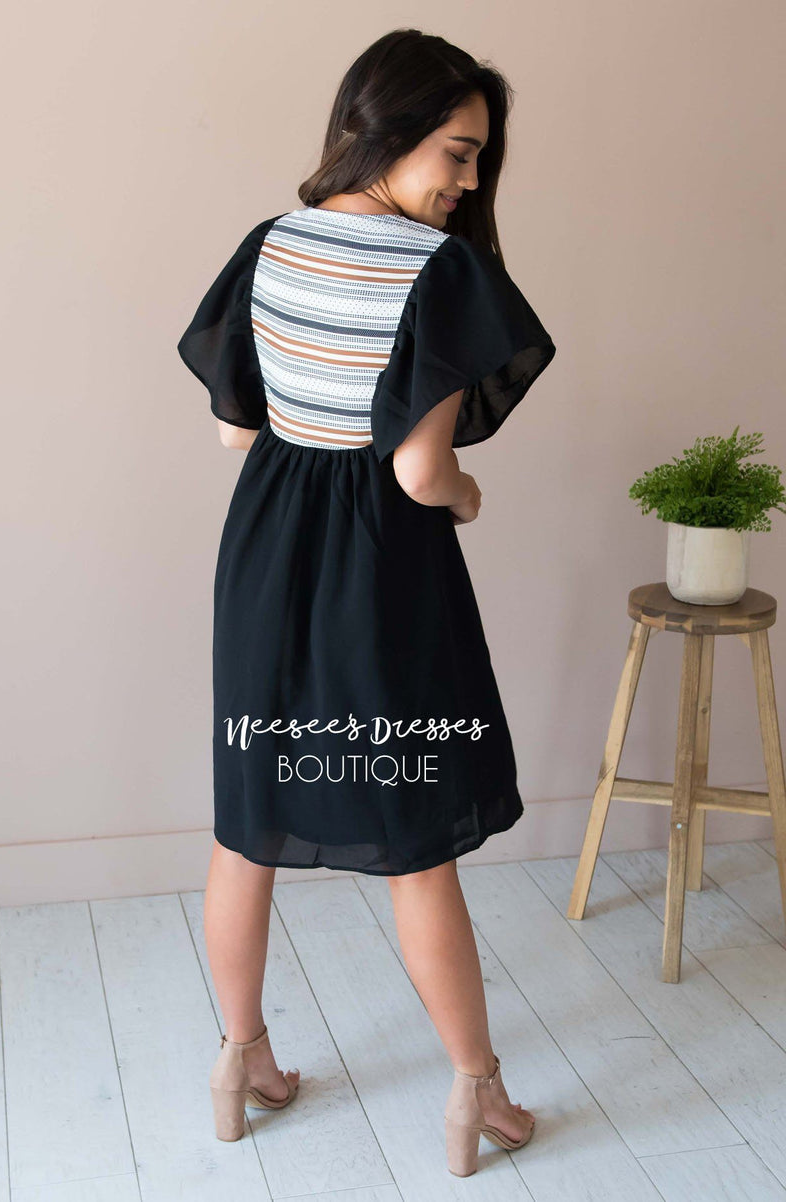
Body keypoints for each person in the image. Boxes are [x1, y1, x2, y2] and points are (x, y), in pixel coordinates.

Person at [177, 28, 556, 1177]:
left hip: (264, 548)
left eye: (477, 158)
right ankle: (475, 1090)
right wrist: (469, 493)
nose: (468, 181)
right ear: (384, 131)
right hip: (377, 569)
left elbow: (236, 429)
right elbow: (419, 470)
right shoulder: (439, 273)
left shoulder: (268, 241)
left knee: (246, 818)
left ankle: (238, 1058)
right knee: (414, 837)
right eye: (457, 151)